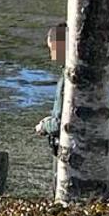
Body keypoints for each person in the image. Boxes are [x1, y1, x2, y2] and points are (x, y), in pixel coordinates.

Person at [35, 22, 67, 156]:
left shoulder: (68, 80)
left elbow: (62, 124)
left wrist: (44, 126)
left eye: (51, 49)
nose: (51, 56)